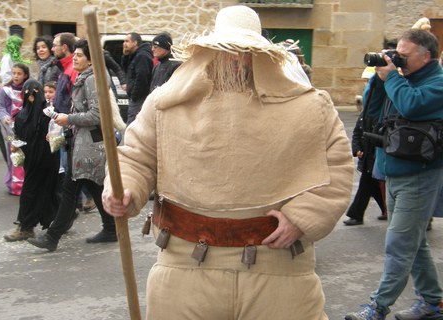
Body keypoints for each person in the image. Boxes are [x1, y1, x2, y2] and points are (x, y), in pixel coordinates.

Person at [102, 5, 353, 319]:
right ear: (209, 53)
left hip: (278, 267)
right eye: (226, 50)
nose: (236, 60)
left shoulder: (309, 105)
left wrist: (303, 217)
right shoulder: (166, 103)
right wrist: (123, 189)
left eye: (245, 51)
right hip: (185, 266)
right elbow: (135, 159)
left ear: (262, 55)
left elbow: (338, 170)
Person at [345, 29, 443, 320]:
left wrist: (393, 78)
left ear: (425, 56)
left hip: (420, 175)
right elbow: (372, 113)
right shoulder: (401, 80)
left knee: (399, 244)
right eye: (395, 53)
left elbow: (412, 105)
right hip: (391, 172)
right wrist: (378, 78)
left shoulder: (437, 84)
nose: (397, 59)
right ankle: (432, 303)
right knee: (415, 243)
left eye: (404, 55)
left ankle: (377, 307)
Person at [27, 39, 117, 252]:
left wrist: (69, 119)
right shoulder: (86, 77)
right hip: (84, 141)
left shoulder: (92, 80)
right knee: (93, 186)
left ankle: (52, 237)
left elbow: (97, 115)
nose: (74, 58)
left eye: (79, 55)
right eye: (74, 54)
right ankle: (111, 228)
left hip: (90, 144)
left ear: (90, 59)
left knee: (71, 187)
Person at [4, 80, 60, 242]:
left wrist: (55, 134)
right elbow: (15, 135)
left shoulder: (49, 112)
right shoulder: (22, 115)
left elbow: (61, 132)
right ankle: (55, 222)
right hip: (33, 162)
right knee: (41, 192)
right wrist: (13, 144)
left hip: (46, 160)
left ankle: (26, 227)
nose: (31, 97)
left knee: (39, 192)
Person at [343, 104, 387, 226]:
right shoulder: (365, 113)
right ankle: (386, 209)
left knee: (365, 185)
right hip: (368, 158)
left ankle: (356, 215)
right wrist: (357, 149)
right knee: (372, 185)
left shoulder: (383, 114)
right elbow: (357, 133)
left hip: (377, 157)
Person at [0, 63, 30, 196]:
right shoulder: (5, 90)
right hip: (11, 129)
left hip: (26, 128)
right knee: (13, 155)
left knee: (26, 155)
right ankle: (14, 184)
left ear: (25, 75)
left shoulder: (28, 89)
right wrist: (5, 118)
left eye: (19, 74)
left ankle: (25, 182)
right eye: (13, 73)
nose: (15, 76)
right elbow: (0, 107)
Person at [121, 32, 153, 124]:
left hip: (139, 99)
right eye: (124, 41)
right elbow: (126, 70)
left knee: (132, 126)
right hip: (135, 98)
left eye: (127, 41)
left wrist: (134, 95)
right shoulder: (134, 55)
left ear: (135, 43)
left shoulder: (142, 56)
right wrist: (125, 55)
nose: (124, 44)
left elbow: (142, 78)